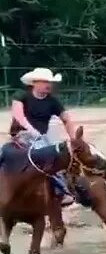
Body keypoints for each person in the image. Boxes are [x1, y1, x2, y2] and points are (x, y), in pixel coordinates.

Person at [9, 67, 80, 205]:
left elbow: (66, 119)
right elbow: (19, 116)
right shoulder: (21, 95)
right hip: (21, 136)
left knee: (56, 158)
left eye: (50, 82)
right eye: (45, 81)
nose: (49, 85)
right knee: (4, 155)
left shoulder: (52, 101)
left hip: (41, 137)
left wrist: (74, 139)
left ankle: (62, 191)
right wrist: (32, 131)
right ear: (34, 83)